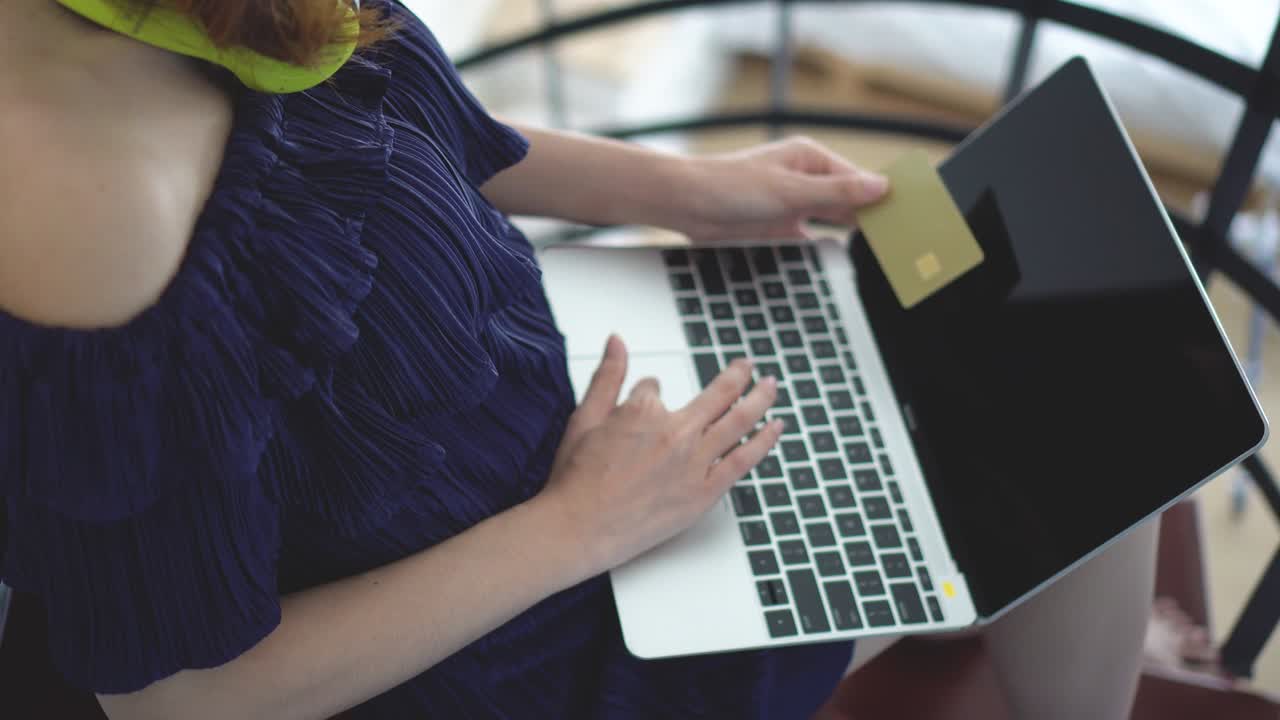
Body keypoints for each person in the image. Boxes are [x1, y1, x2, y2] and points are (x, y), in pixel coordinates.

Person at [0, 1, 1177, 718]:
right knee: (1095, 454)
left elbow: (391, 128)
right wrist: (582, 525)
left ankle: (950, 580)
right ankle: (985, 594)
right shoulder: (83, 201)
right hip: (523, 654)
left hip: (566, 402)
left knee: (956, 399)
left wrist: (693, 189)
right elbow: (176, 701)